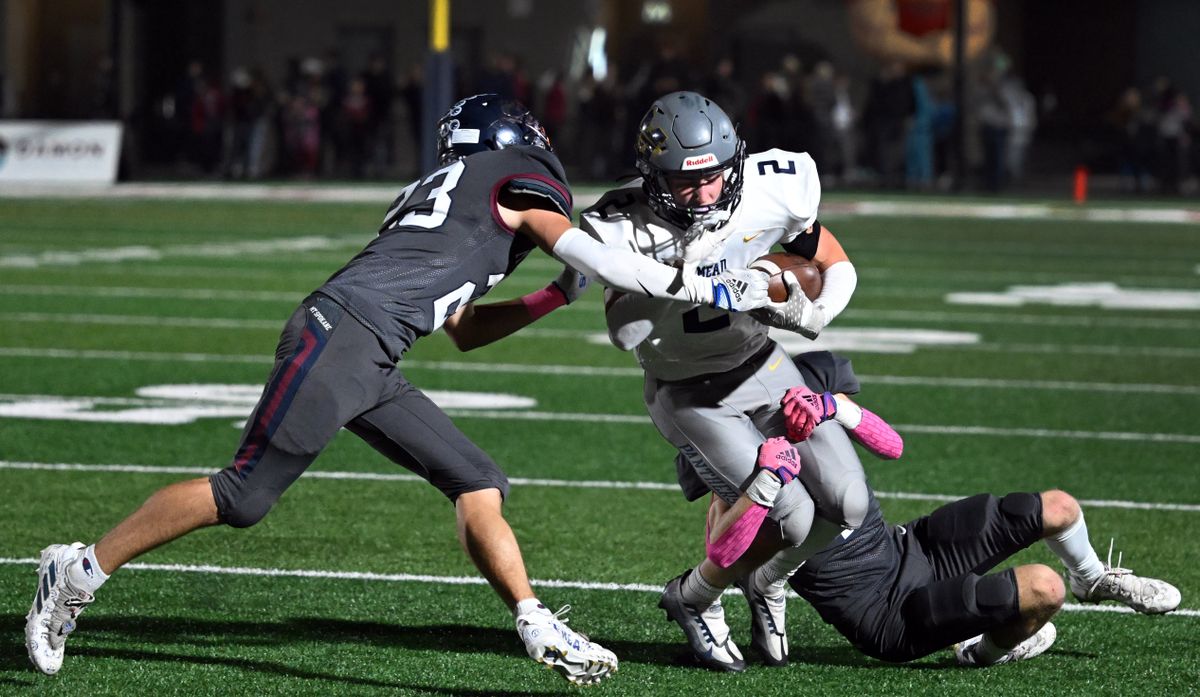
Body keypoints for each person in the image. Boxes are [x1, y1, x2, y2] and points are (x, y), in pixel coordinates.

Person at [24, 93, 772, 684]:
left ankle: (535, 618)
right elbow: (582, 250)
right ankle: (79, 569)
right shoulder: (521, 178)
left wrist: (555, 296)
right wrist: (684, 279)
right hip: (346, 334)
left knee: (477, 479)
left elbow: (467, 329)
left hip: (367, 348)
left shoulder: (438, 191)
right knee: (245, 493)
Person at [580, 91, 902, 672]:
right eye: (684, 182)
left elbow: (834, 260)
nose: (704, 195)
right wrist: (700, 273)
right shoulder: (621, 223)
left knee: (850, 503)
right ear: (652, 176)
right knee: (792, 516)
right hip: (687, 389)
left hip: (763, 363)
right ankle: (694, 598)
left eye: (715, 178)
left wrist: (814, 313)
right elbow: (626, 334)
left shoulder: (771, 185)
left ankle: (768, 584)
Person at [763, 469, 1183, 666]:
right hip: (890, 612)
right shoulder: (746, 489)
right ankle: (982, 652)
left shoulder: (807, 425)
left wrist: (836, 409)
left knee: (1057, 507)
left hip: (911, 547)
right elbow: (732, 559)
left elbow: (885, 440)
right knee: (1044, 587)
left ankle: (1091, 580)